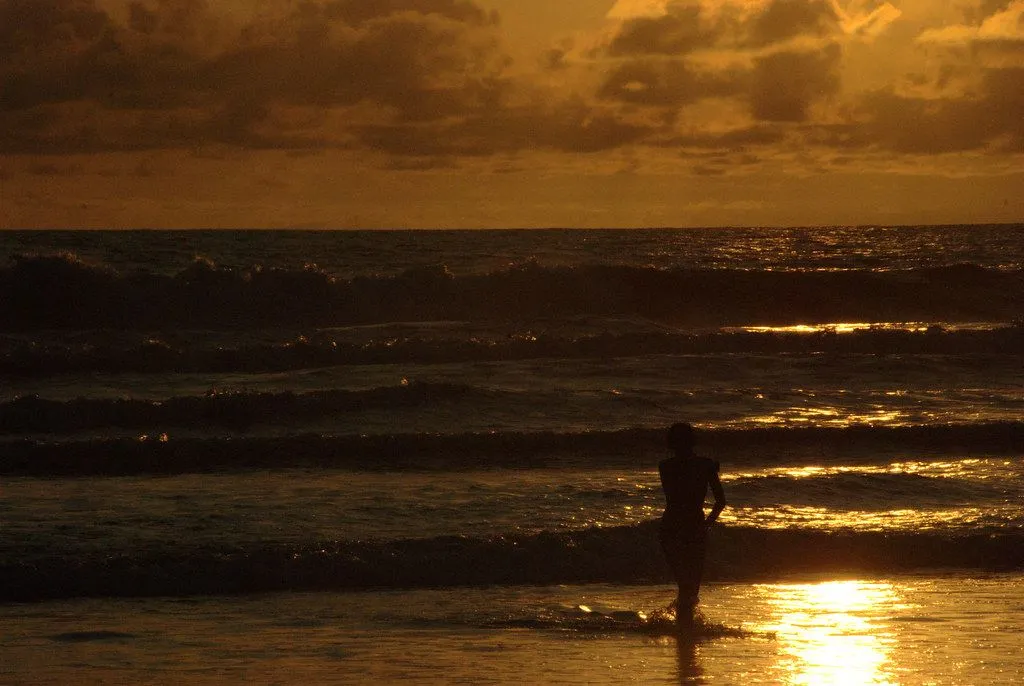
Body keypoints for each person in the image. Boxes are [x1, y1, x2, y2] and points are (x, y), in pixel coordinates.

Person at [658, 422, 726, 627]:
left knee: (683, 583)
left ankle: (684, 632)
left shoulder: (664, 466)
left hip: (670, 524)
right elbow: (720, 501)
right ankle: (685, 630)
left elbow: (676, 491)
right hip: (695, 525)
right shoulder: (705, 465)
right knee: (691, 584)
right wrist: (707, 524)